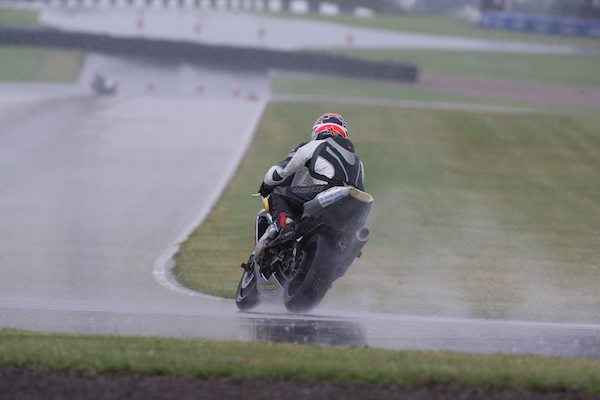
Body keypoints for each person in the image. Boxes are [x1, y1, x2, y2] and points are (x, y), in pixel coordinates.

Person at [258, 113, 365, 248]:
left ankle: (286, 230)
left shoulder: (313, 145)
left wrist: (265, 186)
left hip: (328, 191)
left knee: (278, 193)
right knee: (348, 243)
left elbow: (278, 173)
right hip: (356, 204)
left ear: (317, 131)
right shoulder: (357, 161)